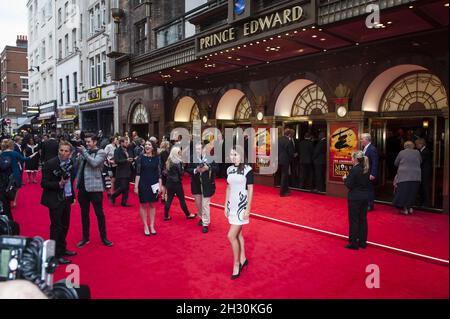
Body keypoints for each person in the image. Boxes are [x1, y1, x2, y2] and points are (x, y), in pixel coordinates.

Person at [40, 141, 76, 264]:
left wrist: (72, 196)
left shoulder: (71, 163)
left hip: (67, 198)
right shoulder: (50, 163)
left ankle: (62, 248)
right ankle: (54, 255)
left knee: (65, 225)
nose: (63, 153)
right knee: (56, 227)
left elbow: (71, 182)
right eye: (61, 150)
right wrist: (58, 184)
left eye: (66, 151)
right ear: (58, 150)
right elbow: (43, 183)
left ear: (70, 152)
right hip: (54, 199)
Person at [76, 134, 113, 248]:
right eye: (86, 142)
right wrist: (79, 154)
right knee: (84, 214)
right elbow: (77, 164)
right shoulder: (84, 152)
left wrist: (84, 152)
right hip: (83, 187)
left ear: (95, 142)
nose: (87, 144)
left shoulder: (101, 152)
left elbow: (94, 163)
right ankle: (85, 238)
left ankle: (104, 237)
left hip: (95, 188)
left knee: (99, 214)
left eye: (89, 142)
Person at [225, 146, 253, 279]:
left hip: (242, 206)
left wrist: (248, 209)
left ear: (241, 155)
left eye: (235, 154)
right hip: (232, 206)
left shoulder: (248, 169)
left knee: (231, 236)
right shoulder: (229, 169)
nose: (232, 157)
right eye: (231, 154)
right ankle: (243, 258)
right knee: (239, 235)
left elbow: (251, 190)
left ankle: (236, 264)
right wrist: (225, 206)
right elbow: (228, 188)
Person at [187, 143, 217, 233]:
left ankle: (205, 223)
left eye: (199, 149)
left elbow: (217, 168)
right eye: (196, 149)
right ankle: (201, 217)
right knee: (198, 204)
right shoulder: (192, 158)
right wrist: (196, 170)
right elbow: (187, 169)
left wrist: (208, 168)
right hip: (196, 184)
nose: (197, 151)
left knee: (205, 205)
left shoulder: (210, 157)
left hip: (207, 185)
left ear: (204, 149)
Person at [343, 151, 370, 250]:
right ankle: (362, 242)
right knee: (363, 219)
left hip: (355, 197)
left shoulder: (355, 170)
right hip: (365, 196)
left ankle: (353, 243)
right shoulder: (366, 168)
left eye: (351, 158)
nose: (351, 160)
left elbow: (349, 185)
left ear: (355, 159)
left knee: (354, 220)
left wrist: (345, 179)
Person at [134, 141, 162, 236]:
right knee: (143, 205)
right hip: (143, 183)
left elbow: (159, 173)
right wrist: (136, 186)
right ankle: (145, 225)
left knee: (152, 205)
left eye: (149, 145)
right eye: (146, 144)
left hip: (154, 184)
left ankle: (152, 225)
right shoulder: (141, 158)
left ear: (153, 147)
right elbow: (138, 173)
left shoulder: (157, 158)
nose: (147, 146)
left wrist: (160, 185)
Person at [163, 146, 196, 221]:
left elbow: (165, 171)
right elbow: (181, 173)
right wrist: (183, 166)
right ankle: (188, 214)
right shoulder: (177, 162)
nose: (180, 154)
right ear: (176, 153)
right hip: (177, 183)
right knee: (181, 199)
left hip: (169, 182)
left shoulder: (169, 160)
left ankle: (166, 215)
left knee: (169, 199)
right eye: (179, 153)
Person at [1, 139, 34, 208]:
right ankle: (14, 202)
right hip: (15, 172)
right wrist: (31, 156)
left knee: (6, 187)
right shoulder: (14, 153)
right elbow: (24, 159)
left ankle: (7, 202)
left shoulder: (2, 153)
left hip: (4, 173)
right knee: (16, 188)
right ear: (11, 145)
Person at [393, 141, 422, 215]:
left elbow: (396, 163)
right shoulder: (417, 152)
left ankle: (405, 209)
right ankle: (410, 207)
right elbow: (421, 161)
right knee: (412, 192)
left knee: (403, 193)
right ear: (412, 146)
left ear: (405, 146)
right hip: (416, 176)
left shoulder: (401, 152)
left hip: (404, 176)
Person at [110, 137, 134, 207]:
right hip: (121, 171)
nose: (127, 143)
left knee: (127, 187)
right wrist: (126, 160)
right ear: (121, 143)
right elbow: (116, 161)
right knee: (123, 186)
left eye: (127, 142)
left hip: (128, 170)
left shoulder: (129, 149)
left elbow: (131, 157)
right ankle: (113, 196)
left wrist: (132, 159)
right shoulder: (117, 150)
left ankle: (124, 202)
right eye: (126, 142)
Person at [361, 133, 379, 211]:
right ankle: (366, 203)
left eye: (362, 139)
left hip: (369, 173)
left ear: (367, 139)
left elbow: (375, 162)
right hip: (365, 172)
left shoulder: (372, 149)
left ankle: (370, 205)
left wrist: (373, 173)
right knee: (366, 189)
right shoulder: (365, 148)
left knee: (369, 189)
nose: (361, 140)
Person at [415, 138, 432, 207]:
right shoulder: (422, 151)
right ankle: (423, 202)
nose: (416, 146)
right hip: (423, 171)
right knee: (422, 187)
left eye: (417, 144)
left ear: (421, 144)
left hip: (425, 172)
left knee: (425, 187)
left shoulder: (425, 151)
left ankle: (426, 203)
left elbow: (419, 160)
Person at [278, 129, 295, 197]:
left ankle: (286, 189)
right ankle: (282, 192)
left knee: (284, 175)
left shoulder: (279, 139)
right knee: (284, 175)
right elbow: (290, 152)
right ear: (289, 134)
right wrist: (294, 155)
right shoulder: (289, 141)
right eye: (292, 135)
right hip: (285, 160)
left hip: (279, 159)